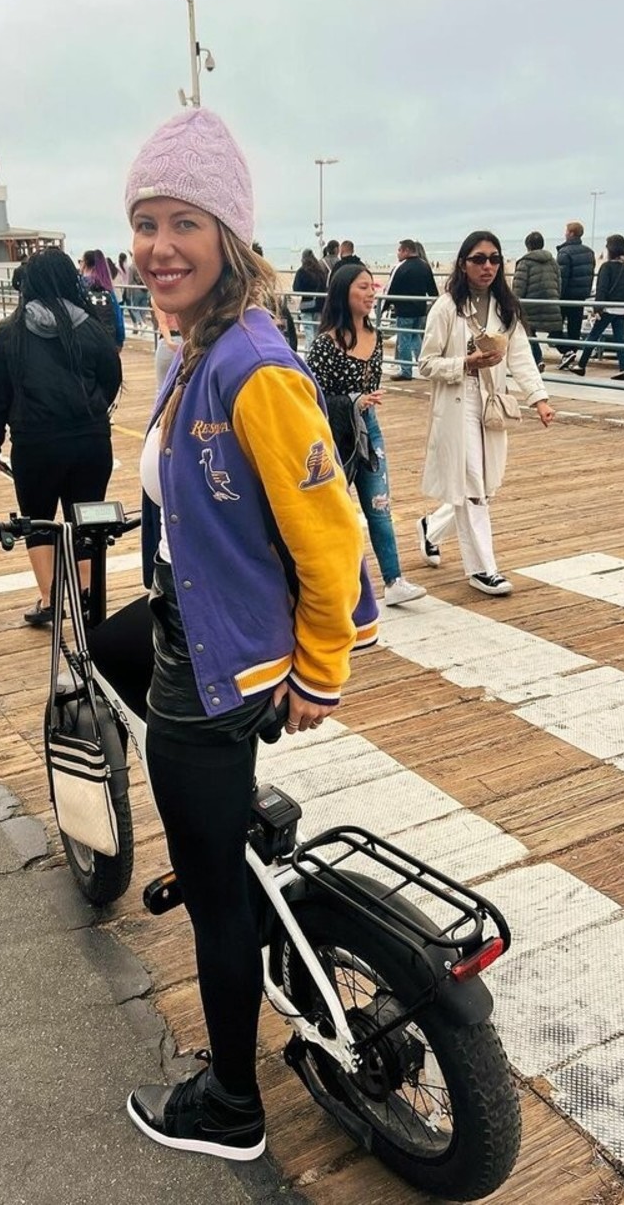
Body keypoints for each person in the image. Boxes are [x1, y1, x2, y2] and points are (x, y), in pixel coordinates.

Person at [121, 107, 375, 1162]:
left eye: (184, 221)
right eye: (145, 223)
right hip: (194, 622)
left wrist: (321, 670)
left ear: (229, 236)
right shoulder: (201, 345)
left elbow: (333, 532)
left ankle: (230, 1103)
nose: (159, 246)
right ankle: (234, 818)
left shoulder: (252, 366)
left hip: (222, 662)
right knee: (116, 647)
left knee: (213, 898)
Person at [0, 248, 122, 626]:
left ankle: (50, 599)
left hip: (35, 444)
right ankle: (88, 597)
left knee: (38, 520)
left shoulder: (8, 332)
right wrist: (92, 409)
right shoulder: (90, 327)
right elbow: (111, 376)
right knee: (86, 519)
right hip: (90, 441)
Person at [418, 231, 554, 595]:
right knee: (474, 484)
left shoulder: (505, 308)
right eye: (479, 259)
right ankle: (483, 569)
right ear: (463, 264)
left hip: (491, 401)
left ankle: (432, 528)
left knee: (483, 485)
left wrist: (539, 399)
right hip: (457, 401)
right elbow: (426, 363)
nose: (487, 266)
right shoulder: (446, 308)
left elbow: (520, 356)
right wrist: (466, 363)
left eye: (494, 259)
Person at [307, 264, 426, 607]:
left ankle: (394, 579)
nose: (371, 293)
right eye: (362, 287)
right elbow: (311, 398)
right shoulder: (325, 345)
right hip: (334, 435)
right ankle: (338, 585)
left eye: (372, 286)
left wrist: (362, 404)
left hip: (368, 429)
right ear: (343, 292)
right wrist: (353, 401)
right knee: (337, 512)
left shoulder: (376, 338)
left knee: (379, 505)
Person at [573, 234, 624, 380]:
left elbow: (602, 289)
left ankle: (581, 364)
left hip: (607, 308)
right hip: (621, 308)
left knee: (593, 335)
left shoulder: (606, 267)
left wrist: (597, 308)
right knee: (620, 339)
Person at [384, 239, 438, 380]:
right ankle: (424, 367)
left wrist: (383, 307)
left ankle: (406, 371)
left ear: (406, 251)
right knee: (416, 338)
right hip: (420, 309)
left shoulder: (401, 267)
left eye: (399, 250)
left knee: (404, 341)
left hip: (404, 310)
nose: (398, 253)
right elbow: (432, 290)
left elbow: (390, 289)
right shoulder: (425, 266)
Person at [512, 232, 563, 371]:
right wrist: (556, 298)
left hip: (530, 305)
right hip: (551, 302)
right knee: (554, 332)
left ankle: (537, 359)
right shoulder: (553, 261)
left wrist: (514, 303)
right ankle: (566, 351)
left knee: (528, 332)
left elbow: (519, 286)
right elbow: (559, 283)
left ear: (527, 246)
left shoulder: (524, 263)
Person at [556, 221, 596, 368]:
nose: (565, 233)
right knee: (574, 329)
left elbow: (562, 278)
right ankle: (570, 355)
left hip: (565, 296)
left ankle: (566, 352)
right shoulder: (589, 252)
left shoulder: (564, 253)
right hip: (580, 296)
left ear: (571, 233)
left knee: (554, 328)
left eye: (566, 231)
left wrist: (558, 296)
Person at [291, 248, 328, 351]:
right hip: (319, 305)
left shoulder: (301, 271)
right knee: (316, 332)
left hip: (306, 305)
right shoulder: (320, 271)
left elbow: (296, 288)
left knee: (308, 332)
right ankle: (316, 352)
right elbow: (324, 287)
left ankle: (309, 353)